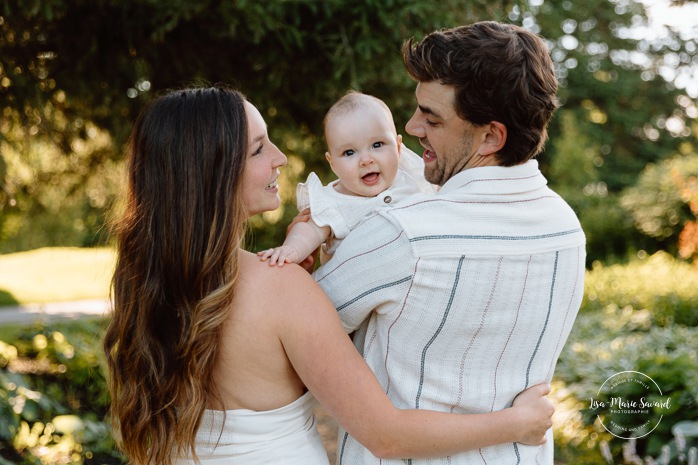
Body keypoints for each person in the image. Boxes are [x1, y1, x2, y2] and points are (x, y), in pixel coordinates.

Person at [102, 85, 555, 465]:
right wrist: (517, 423)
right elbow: (386, 434)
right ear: (211, 173)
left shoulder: (146, 288)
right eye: (260, 148)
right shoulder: (280, 287)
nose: (279, 158)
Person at [312, 21, 587, 464]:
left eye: (432, 118)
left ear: (491, 136)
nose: (411, 127)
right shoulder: (567, 230)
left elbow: (294, 334)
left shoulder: (401, 235)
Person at [258, 91, 435, 267]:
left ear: (397, 148)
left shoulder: (411, 173)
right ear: (332, 163)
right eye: (349, 152)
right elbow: (310, 229)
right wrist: (292, 249)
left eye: (377, 145)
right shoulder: (334, 201)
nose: (366, 160)